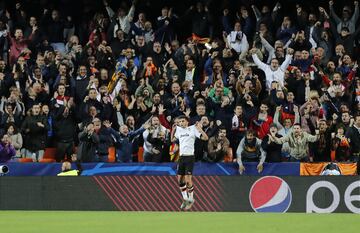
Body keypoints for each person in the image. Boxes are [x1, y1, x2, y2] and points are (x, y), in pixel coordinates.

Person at [171, 115, 208, 210]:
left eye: (183, 121)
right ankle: (185, 199)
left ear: (187, 122)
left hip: (190, 157)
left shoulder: (193, 129)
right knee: (180, 180)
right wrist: (173, 130)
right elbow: (172, 140)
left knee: (188, 180)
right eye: (179, 122)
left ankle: (191, 199)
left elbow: (205, 138)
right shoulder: (178, 130)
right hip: (181, 157)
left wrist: (200, 129)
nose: (181, 123)